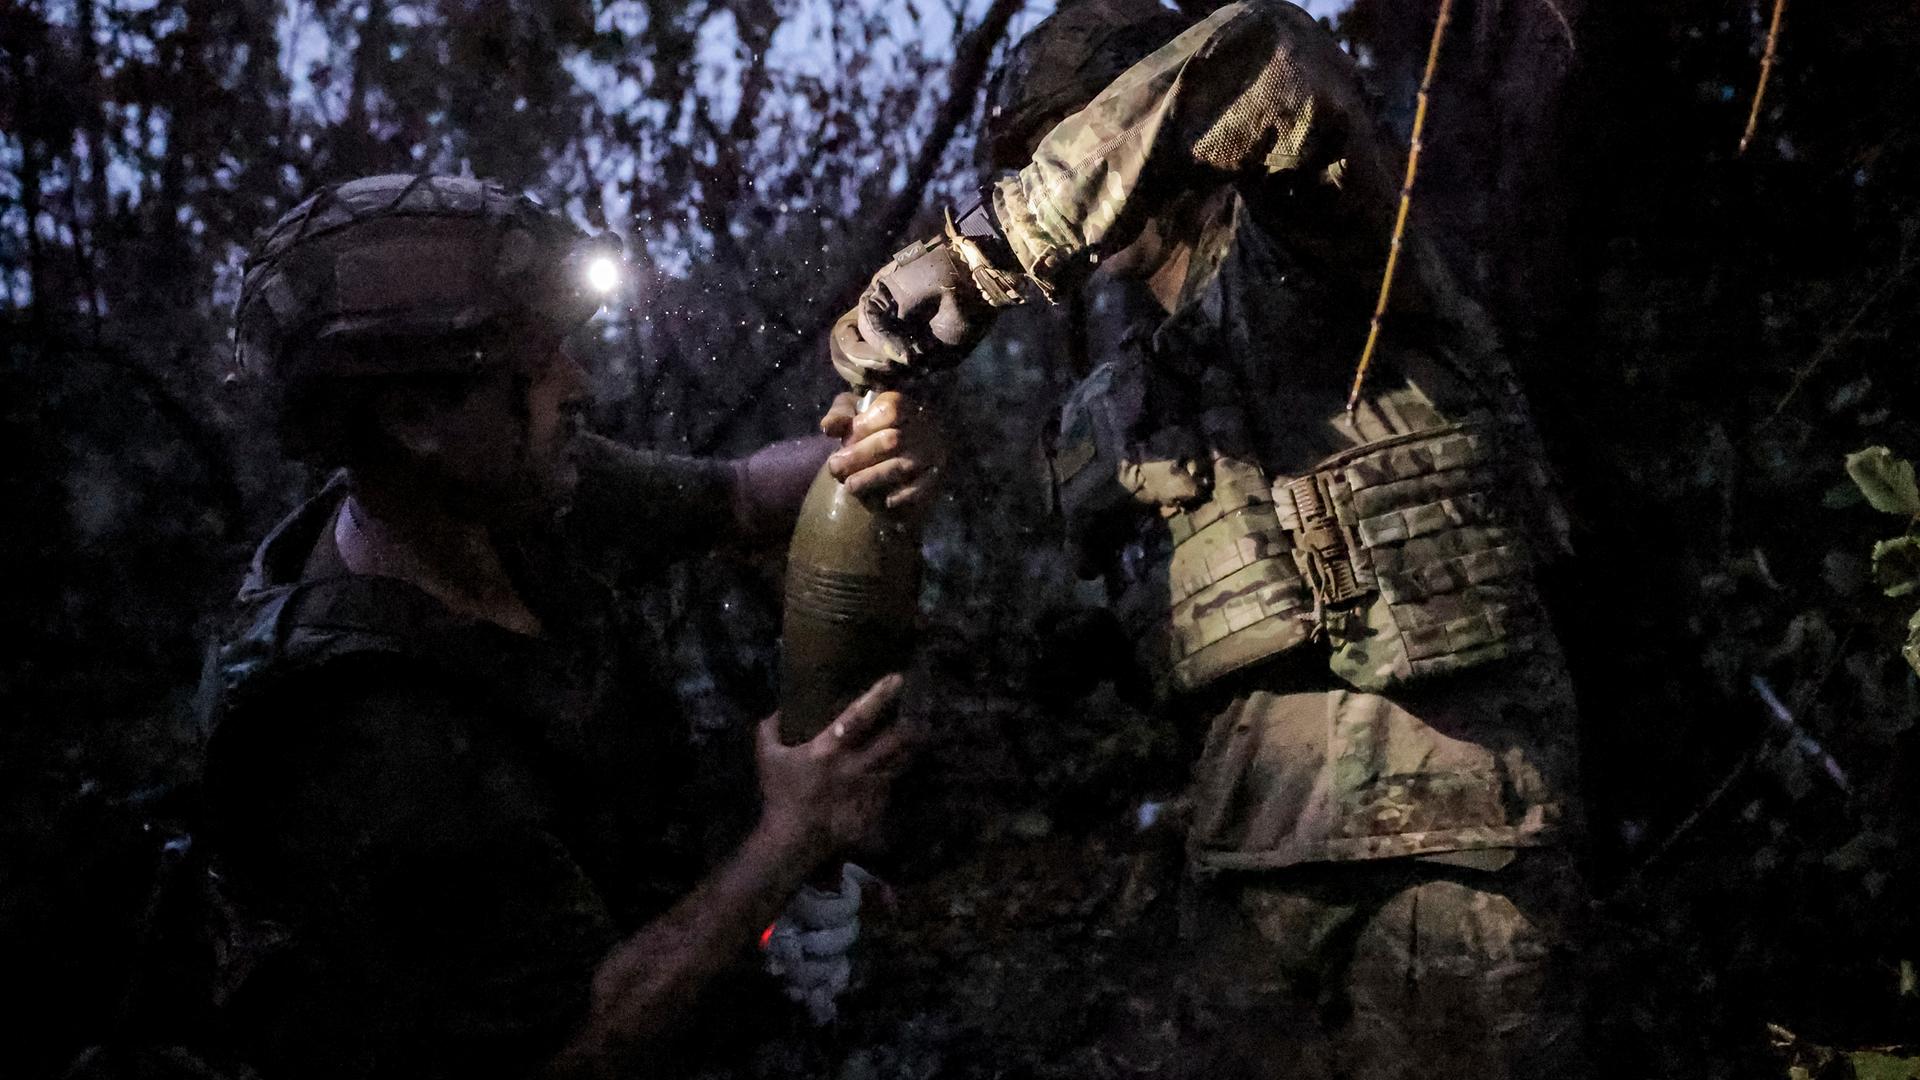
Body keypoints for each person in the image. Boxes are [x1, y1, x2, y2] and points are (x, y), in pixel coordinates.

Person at [841, 2, 1588, 1076]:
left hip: (1447, 851)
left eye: (1081, 137)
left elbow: (1268, 58)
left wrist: (994, 249)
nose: (1076, 172)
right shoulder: (1124, 395)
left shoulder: (1322, 245)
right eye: (1042, 152)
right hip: (1252, 874)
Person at [201, 173, 940, 1079]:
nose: (578, 383)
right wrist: (789, 841)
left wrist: (862, 446)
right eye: (537, 363)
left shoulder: (499, 498)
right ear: (415, 419)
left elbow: (741, 496)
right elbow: (569, 1047)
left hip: (629, 931)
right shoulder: (364, 735)